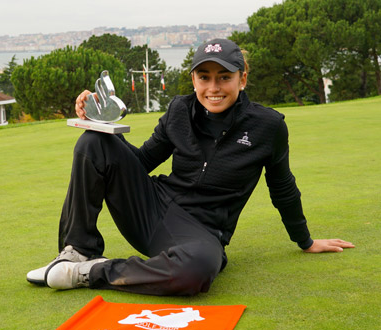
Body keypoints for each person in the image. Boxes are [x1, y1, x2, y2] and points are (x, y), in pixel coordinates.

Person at [26, 38, 354, 296]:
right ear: (193, 78)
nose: (213, 88)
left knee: (196, 271)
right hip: (151, 209)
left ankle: (88, 273)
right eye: (204, 77)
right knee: (93, 142)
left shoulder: (268, 126)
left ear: (242, 79)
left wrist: (305, 240)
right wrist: (98, 123)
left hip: (200, 234)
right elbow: (139, 164)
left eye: (224, 77)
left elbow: (282, 187)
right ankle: (77, 252)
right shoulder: (179, 110)